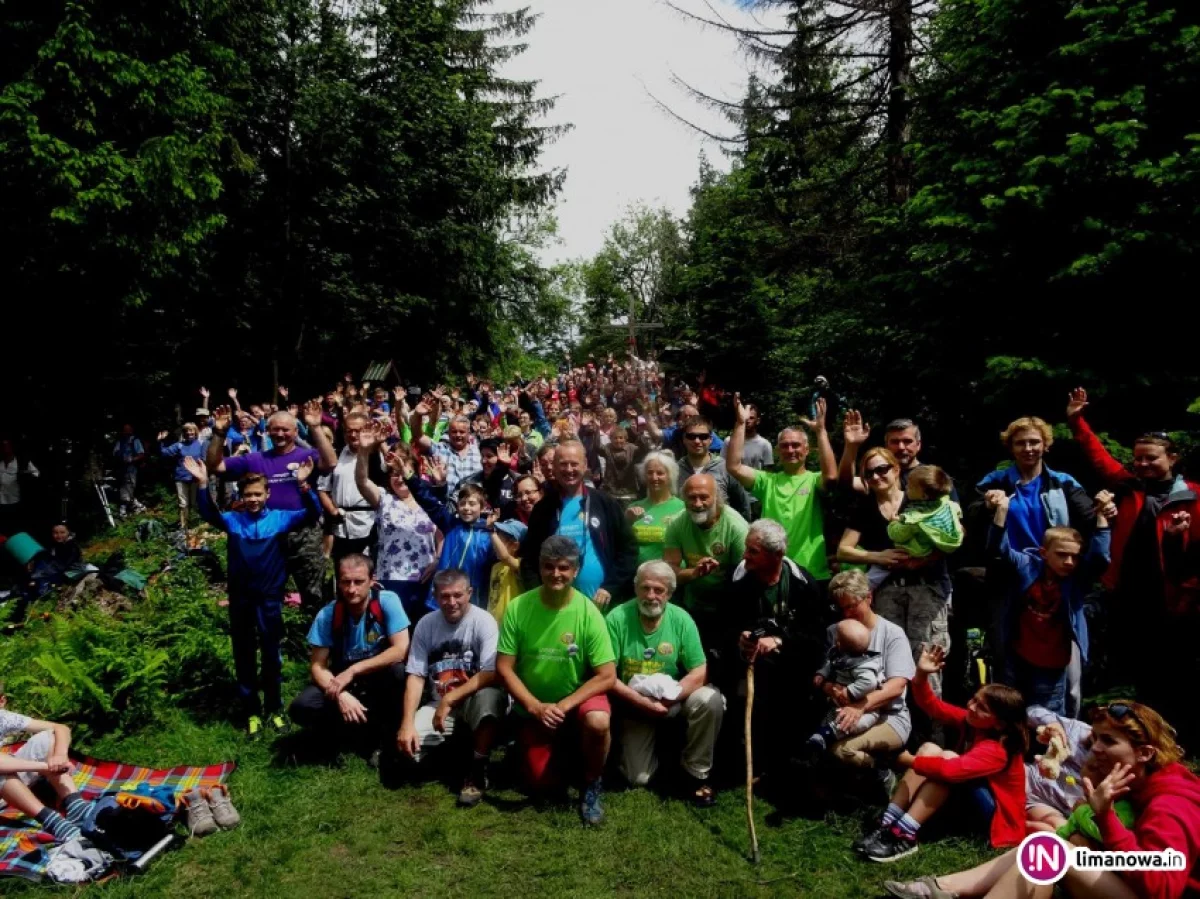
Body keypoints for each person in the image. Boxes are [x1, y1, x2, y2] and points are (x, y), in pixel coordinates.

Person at [883, 701, 1200, 899]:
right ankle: (943, 888)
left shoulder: (1170, 804)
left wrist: (1106, 820)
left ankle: (942, 890)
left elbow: (1163, 887)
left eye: (1109, 741)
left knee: (1053, 852)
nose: (1096, 749)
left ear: (1145, 753)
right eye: (1095, 739)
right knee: (1049, 851)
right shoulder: (1138, 781)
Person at [1066, 387, 1200, 740]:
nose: (1141, 464)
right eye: (1137, 458)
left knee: (1172, 674)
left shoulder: (1193, 496)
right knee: (1136, 670)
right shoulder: (1129, 487)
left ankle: (1173, 740)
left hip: (1174, 603)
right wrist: (1076, 420)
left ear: (1172, 458)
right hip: (1127, 595)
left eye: (1150, 458)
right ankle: (1138, 736)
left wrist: (1180, 547)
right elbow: (1099, 458)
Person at [855, 644, 1028, 863]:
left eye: (982, 708)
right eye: (974, 700)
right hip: (970, 799)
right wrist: (921, 675)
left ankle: (905, 835)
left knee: (946, 763)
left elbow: (950, 770)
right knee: (930, 749)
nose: (972, 707)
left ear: (1000, 724)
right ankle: (888, 823)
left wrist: (905, 759)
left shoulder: (998, 749)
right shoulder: (975, 723)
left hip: (995, 820)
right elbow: (932, 706)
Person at [189, 456, 321, 735]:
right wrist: (202, 484)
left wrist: (304, 486)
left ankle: (274, 707)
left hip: (270, 598)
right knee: (244, 653)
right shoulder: (233, 521)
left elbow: (312, 514)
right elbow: (208, 514)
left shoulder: (281, 519)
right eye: (247, 495)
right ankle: (251, 711)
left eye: (257, 494)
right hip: (241, 599)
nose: (252, 499)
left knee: (272, 654)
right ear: (241, 495)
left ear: (267, 494)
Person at [497, 536, 617, 825]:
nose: (556, 574)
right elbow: (504, 668)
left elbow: (607, 675)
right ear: (539, 568)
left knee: (599, 721)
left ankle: (592, 783)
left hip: (574, 704)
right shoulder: (518, 607)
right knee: (542, 785)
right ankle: (545, 748)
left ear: (575, 571)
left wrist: (565, 705)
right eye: (549, 567)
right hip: (534, 710)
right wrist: (535, 706)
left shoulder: (589, 612)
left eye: (564, 568)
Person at [606, 561, 724, 806]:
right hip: (633, 704)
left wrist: (671, 697)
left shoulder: (682, 619)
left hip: (673, 698)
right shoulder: (617, 618)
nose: (651, 596)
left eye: (659, 590)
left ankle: (695, 772)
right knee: (637, 778)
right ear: (635, 588)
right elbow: (607, 675)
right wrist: (641, 702)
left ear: (670, 593)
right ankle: (661, 752)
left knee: (710, 700)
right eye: (645, 588)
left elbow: (699, 671)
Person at [206, 402, 337, 610]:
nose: (280, 433)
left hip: (304, 534)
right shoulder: (254, 459)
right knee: (268, 591)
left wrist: (314, 427)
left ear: (295, 431)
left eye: (286, 429)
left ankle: (314, 636)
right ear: (267, 430)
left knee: (313, 592)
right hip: (270, 535)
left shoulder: (306, 456)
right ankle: (274, 635)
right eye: (275, 429)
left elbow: (330, 462)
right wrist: (219, 433)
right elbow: (215, 466)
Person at [724, 519, 829, 776]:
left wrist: (781, 641)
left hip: (794, 666)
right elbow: (723, 625)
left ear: (777, 555)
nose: (744, 555)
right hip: (750, 666)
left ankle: (791, 763)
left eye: (753, 551)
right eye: (746, 548)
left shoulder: (802, 583)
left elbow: (816, 635)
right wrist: (741, 639)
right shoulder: (737, 581)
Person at [990, 493, 1111, 715]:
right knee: (1010, 713)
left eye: (1075, 556)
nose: (1069, 562)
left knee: (1048, 720)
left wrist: (1102, 519)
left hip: (1053, 664)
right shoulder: (1027, 565)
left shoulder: (1075, 579)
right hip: (1017, 658)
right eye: (1062, 555)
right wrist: (1002, 512)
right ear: (1044, 553)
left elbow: (1100, 559)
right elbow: (999, 549)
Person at [397, 569, 507, 807]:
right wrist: (406, 724)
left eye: (458, 595)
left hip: (473, 698)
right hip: (438, 702)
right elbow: (415, 675)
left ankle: (477, 769)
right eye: (445, 596)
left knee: (489, 699)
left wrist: (450, 700)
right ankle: (463, 747)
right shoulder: (426, 624)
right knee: (409, 755)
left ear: (470, 593)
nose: (451, 602)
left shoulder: (483, 621)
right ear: (435, 595)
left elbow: (491, 672)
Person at [289, 554, 411, 757]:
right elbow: (317, 666)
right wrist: (341, 695)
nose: (351, 589)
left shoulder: (388, 601)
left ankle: (386, 736)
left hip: (376, 675)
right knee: (302, 706)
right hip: (342, 681)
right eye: (345, 582)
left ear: (372, 580)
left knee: (401, 674)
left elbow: (401, 649)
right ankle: (341, 735)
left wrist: (354, 670)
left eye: (359, 582)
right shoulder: (328, 614)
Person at [726, 394, 837, 582]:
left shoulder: (814, 480)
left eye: (796, 445)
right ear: (777, 451)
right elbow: (734, 466)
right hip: (770, 571)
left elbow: (832, 476)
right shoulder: (767, 481)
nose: (790, 450)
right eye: (785, 446)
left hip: (810, 571)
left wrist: (821, 432)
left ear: (807, 450)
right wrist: (740, 423)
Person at [823, 571, 917, 787]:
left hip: (888, 715)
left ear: (868, 597)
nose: (847, 613)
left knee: (841, 750)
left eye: (852, 606)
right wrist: (830, 688)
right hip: (841, 710)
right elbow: (825, 672)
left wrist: (859, 707)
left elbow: (896, 686)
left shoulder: (892, 633)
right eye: (841, 608)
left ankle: (881, 772)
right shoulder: (835, 631)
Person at [520, 440, 638, 610]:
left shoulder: (605, 503)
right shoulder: (543, 509)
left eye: (574, 464)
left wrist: (610, 587)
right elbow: (529, 559)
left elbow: (628, 550)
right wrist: (539, 593)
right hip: (556, 606)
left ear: (585, 465)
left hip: (602, 604)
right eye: (563, 464)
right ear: (554, 467)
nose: (569, 470)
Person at [352, 430, 439, 622]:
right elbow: (362, 481)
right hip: (390, 578)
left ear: (414, 472)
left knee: (420, 633)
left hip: (424, 579)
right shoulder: (383, 498)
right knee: (393, 633)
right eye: (394, 473)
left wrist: (437, 561)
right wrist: (364, 451)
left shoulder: (427, 501)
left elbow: (442, 533)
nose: (399, 478)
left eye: (404, 473)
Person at [976, 416, 1095, 554]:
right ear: (1011, 447)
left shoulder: (1064, 482)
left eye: (1034, 442)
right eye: (1020, 443)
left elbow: (1089, 520)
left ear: (1045, 445)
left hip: (1053, 568)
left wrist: (1105, 511)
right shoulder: (995, 481)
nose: (1028, 448)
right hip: (1008, 565)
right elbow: (970, 517)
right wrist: (987, 506)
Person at [663, 473, 749, 643]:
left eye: (704, 497)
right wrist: (694, 572)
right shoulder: (676, 523)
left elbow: (746, 576)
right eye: (691, 498)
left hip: (729, 607)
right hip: (693, 604)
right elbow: (668, 571)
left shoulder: (736, 526)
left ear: (716, 497)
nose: (697, 504)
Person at [0, 689, 92, 843]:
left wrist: (60, 756)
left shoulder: (4, 718)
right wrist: (43, 767)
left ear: (2, 701)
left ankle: (74, 804)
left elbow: (60, 728)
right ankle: (52, 821)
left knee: (46, 738)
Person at [807, 619, 883, 752]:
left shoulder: (863, 665)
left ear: (839, 642)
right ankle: (822, 736)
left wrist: (849, 691)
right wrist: (822, 674)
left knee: (849, 722)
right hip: (841, 704)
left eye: (837, 636)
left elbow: (869, 682)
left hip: (865, 708)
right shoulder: (839, 653)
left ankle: (825, 735)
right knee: (830, 717)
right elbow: (831, 664)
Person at [320, 412, 381, 561]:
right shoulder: (336, 456)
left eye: (357, 430)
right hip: (341, 524)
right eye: (349, 430)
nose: (353, 435)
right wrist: (332, 510)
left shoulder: (377, 456)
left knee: (367, 568)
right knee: (342, 567)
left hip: (368, 522)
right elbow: (322, 488)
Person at [676, 416, 751, 519]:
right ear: (684, 439)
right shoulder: (674, 470)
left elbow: (743, 504)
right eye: (691, 436)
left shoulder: (726, 468)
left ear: (711, 439)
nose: (697, 441)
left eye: (703, 436)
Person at [626, 451, 686, 568]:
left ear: (670, 476)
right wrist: (627, 521)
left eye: (660, 473)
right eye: (650, 473)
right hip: (639, 577)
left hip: (670, 577)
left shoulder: (682, 508)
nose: (654, 478)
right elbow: (624, 544)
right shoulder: (633, 508)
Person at [158, 423, 207, 529]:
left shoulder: (201, 443)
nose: (189, 433)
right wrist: (161, 441)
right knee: (183, 503)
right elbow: (164, 453)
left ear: (195, 432)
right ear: (184, 433)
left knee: (194, 503)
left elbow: (204, 460)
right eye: (186, 431)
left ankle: (194, 525)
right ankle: (184, 526)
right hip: (181, 477)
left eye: (191, 430)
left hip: (195, 478)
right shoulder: (179, 445)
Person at [598, 426, 651, 505]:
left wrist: (639, 435)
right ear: (611, 439)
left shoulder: (632, 448)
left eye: (621, 438)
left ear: (625, 439)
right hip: (611, 490)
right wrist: (596, 430)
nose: (618, 440)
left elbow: (644, 451)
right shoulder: (607, 448)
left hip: (629, 491)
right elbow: (597, 447)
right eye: (615, 438)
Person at [0, 439, 38, 537]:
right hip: (1, 500)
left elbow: (36, 473)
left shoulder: (22, 461)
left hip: (16, 501)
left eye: (7, 446)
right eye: (3, 446)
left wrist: (24, 474)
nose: (5, 449)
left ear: (11, 447)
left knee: (14, 528)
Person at [721, 402, 773, 470]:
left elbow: (768, 472)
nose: (747, 420)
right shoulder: (729, 441)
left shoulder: (765, 444)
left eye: (751, 418)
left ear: (758, 421)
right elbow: (721, 466)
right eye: (745, 417)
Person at [112, 423, 146, 516]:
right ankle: (127, 509)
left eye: (128, 429)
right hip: (121, 468)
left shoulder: (135, 440)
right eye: (125, 430)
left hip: (132, 468)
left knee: (130, 486)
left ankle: (135, 506)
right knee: (124, 487)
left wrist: (132, 459)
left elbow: (141, 454)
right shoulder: (120, 441)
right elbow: (115, 453)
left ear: (131, 430)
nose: (126, 432)